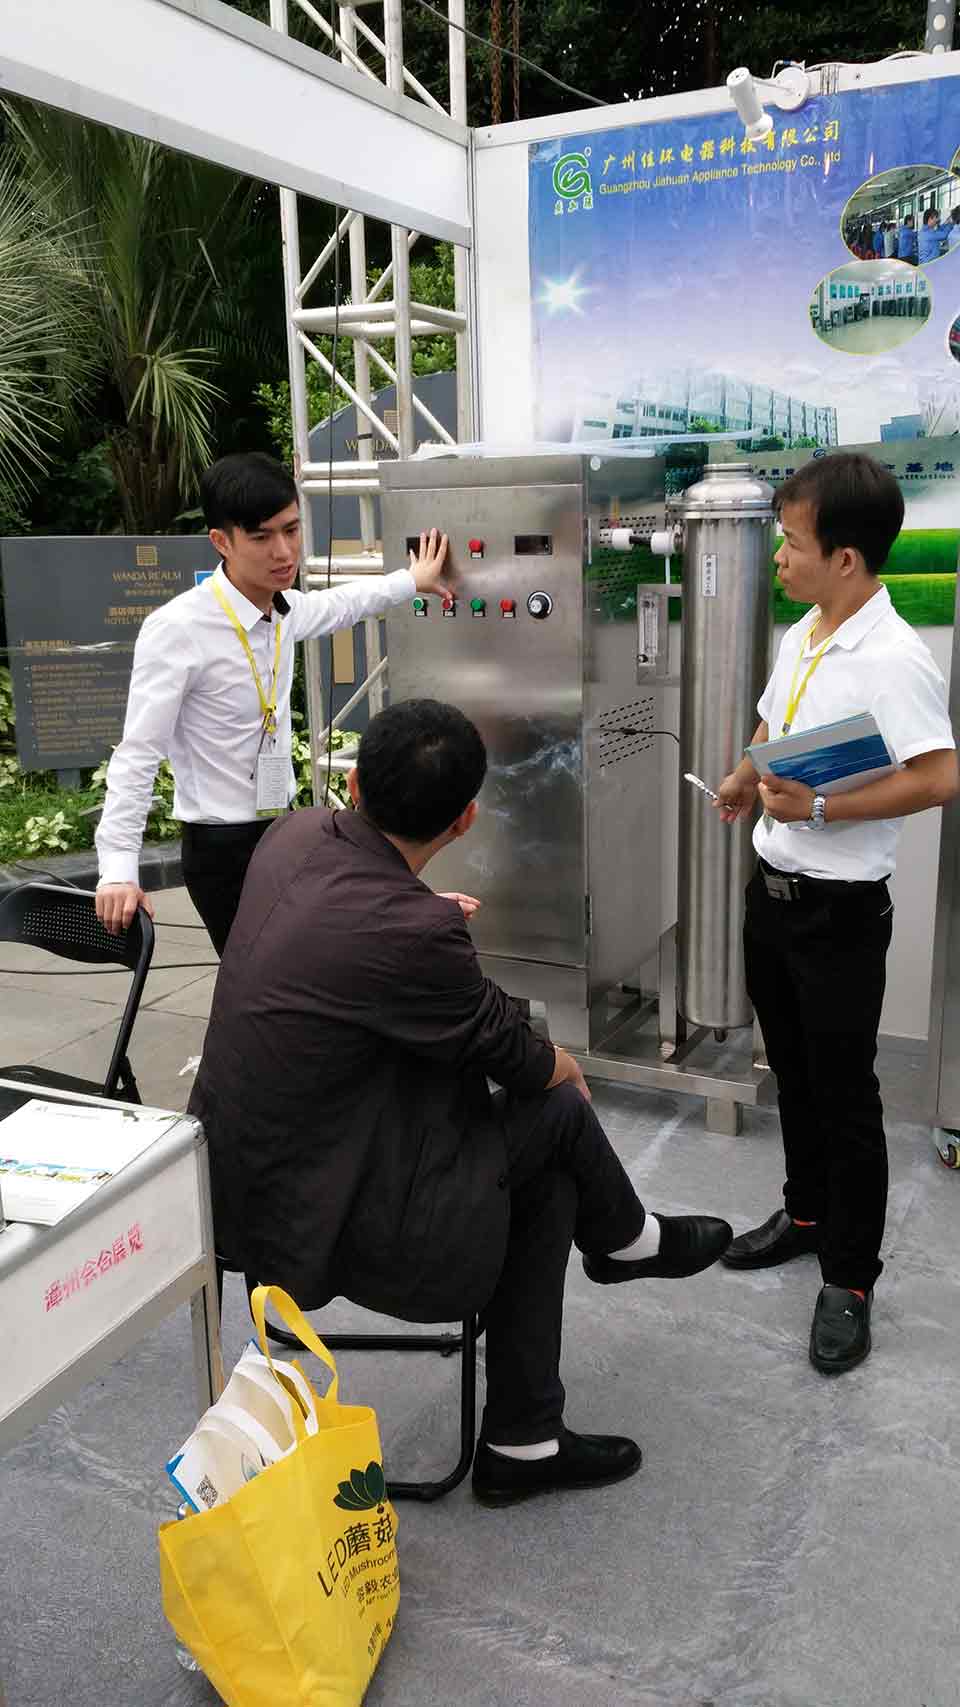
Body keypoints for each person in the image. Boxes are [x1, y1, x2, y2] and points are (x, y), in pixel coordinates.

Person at [188, 699, 733, 1505]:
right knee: (558, 1113)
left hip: (238, 1194)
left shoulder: (291, 837)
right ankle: (622, 1247)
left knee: (544, 1168)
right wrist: (561, 1063)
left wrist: (423, 918)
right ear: (466, 818)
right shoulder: (416, 933)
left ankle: (531, 1427)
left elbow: (349, 936)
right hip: (326, 1222)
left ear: (353, 782)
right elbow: (517, 1054)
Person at [714, 453, 957, 1376]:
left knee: (848, 1097)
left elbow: (940, 775)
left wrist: (821, 807)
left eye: (791, 542)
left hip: (839, 914)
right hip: (772, 894)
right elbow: (774, 725)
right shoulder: (807, 630)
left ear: (846, 558)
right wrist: (746, 775)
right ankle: (808, 1215)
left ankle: (850, 1279)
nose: (779, 556)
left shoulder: (894, 657)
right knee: (795, 1076)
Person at [94, 452, 450, 954]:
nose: (283, 552)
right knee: (262, 981)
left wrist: (412, 580)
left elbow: (341, 604)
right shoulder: (178, 629)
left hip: (282, 833)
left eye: (292, 530)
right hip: (222, 849)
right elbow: (138, 753)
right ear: (222, 541)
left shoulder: (284, 610)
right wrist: (118, 870)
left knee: (309, 969)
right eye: (261, 537)